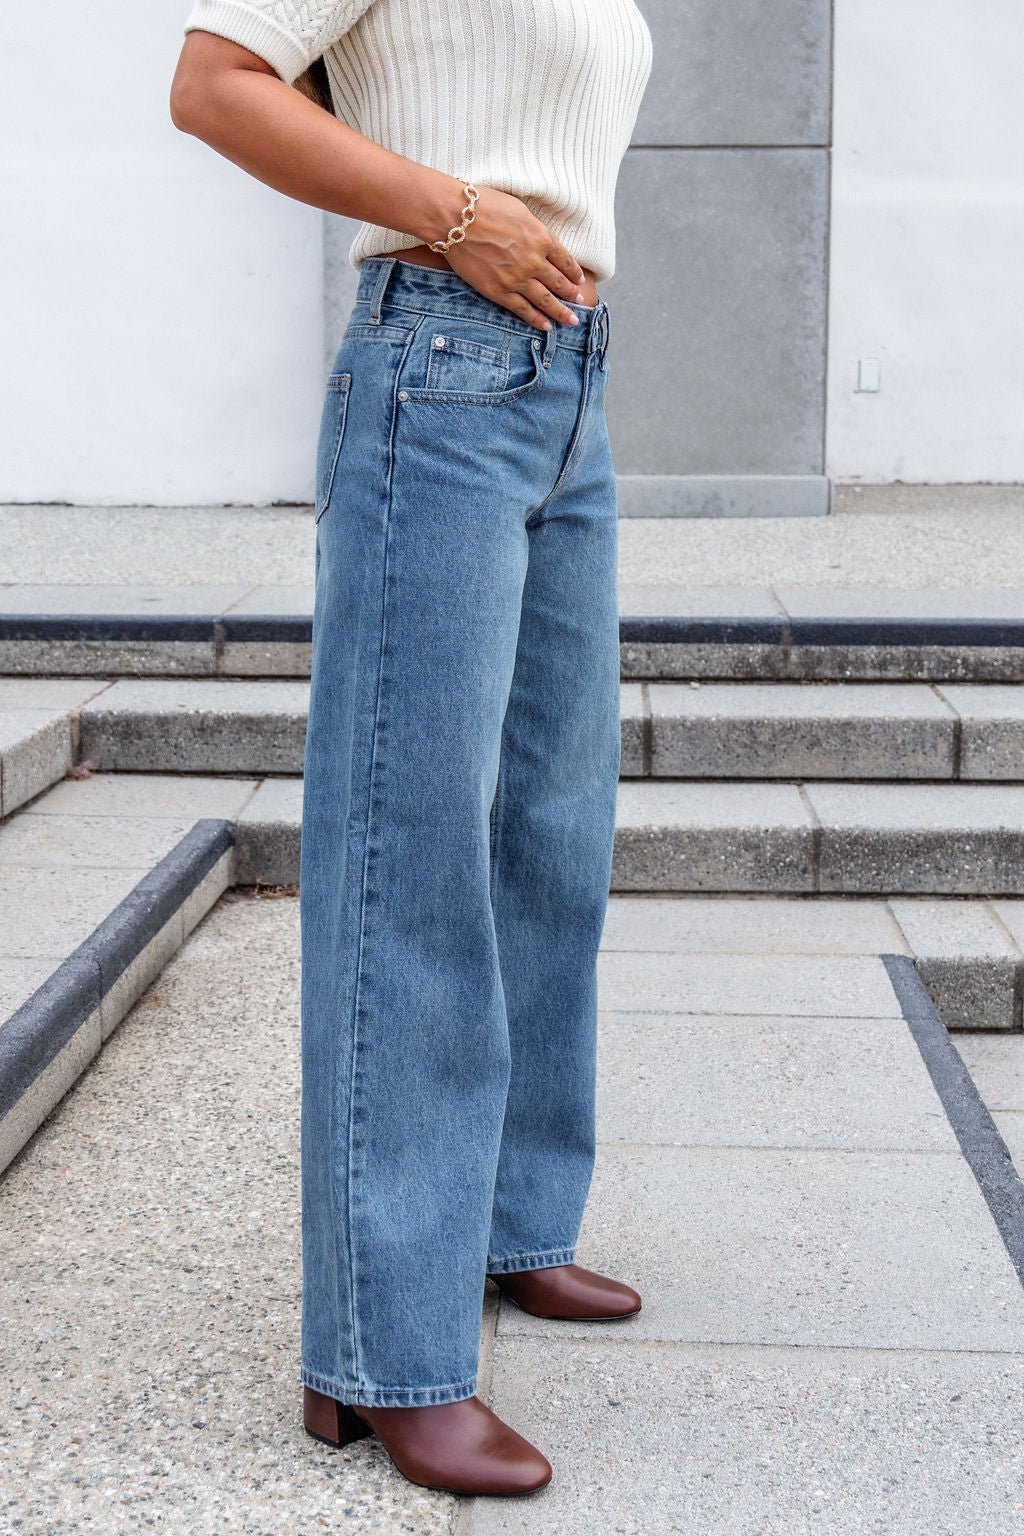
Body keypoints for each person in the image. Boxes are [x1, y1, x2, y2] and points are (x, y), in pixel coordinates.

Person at [170, 0, 654, 1499]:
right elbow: (214, 86)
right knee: (411, 856)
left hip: (565, 381)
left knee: (549, 833)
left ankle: (510, 1222)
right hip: (439, 367)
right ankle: (382, 1353)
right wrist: (456, 213)